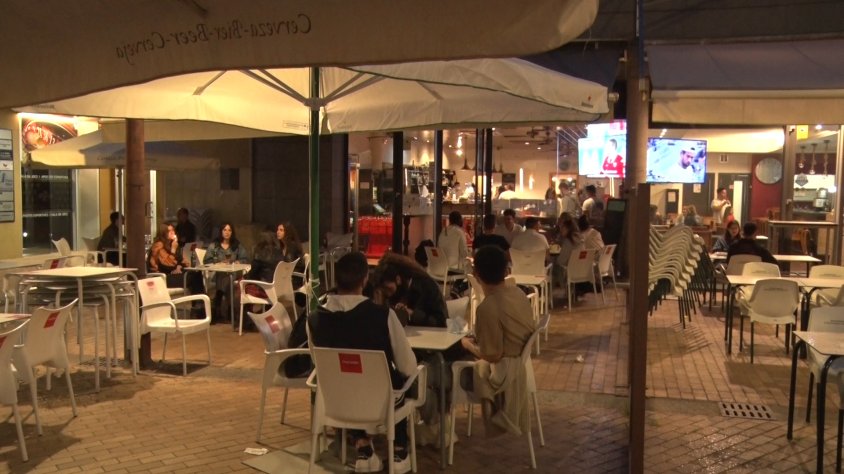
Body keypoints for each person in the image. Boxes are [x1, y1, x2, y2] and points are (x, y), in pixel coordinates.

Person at [308, 252, 417, 473]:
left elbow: (319, 362)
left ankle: (363, 446)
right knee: (401, 382)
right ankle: (399, 450)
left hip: (336, 403)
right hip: (380, 404)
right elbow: (408, 366)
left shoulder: (314, 320)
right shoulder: (383, 316)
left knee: (348, 379)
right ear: (365, 279)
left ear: (336, 279)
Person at [459, 246, 535, 436]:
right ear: (505, 271)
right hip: (522, 364)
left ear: (477, 274)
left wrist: (467, 345)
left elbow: (492, 355)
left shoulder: (488, 307)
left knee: (448, 372)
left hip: (503, 373)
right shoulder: (518, 293)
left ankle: (438, 431)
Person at [372, 253, 447, 328]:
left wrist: (412, 314)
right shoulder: (396, 293)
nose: (388, 294)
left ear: (398, 279)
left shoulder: (427, 286)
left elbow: (441, 322)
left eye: (388, 289)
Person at [204, 223, 249, 322]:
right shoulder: (214, 246)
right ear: (221, 231)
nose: (227, 232)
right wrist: (218, 263)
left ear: (232, 232)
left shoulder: (237, 245)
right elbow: (206, 261)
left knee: (228, 277)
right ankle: (229, 310)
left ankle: (218, 302)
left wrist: (238, 262)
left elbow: (245, 259)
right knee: (224, 277)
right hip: (217, 274)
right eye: (225, 230)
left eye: (229, 230)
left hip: (233, 274)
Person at [148, 223, 204, 305]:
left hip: (172, 274)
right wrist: (173, 250)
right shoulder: (159, 245)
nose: (172, 232)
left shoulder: (172, 244)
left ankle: (199, 304)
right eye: (168, 231)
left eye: (173, 230)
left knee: (197, 273)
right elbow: (168, 264)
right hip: (162, 277)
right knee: (193, 277)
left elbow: (184, 262)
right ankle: (198, 305)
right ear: (163, 233)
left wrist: (179, 266)